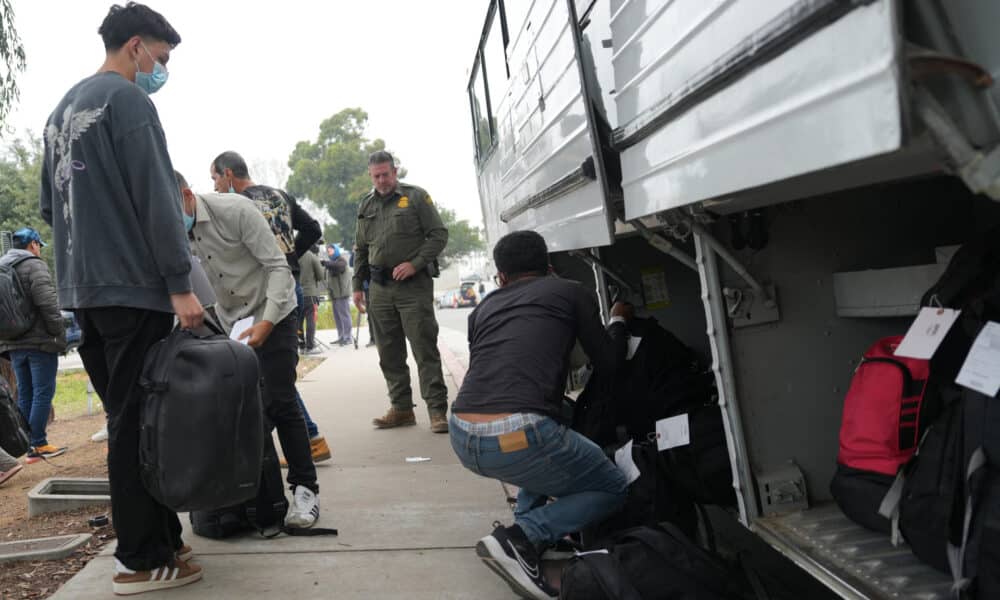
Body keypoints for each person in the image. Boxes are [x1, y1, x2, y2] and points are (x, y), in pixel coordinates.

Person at [38, 3, 203, 593]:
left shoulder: (61, 110)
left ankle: (166, 542)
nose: (161, 69)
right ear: (136, 46)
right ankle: (138, 559)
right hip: (135, 292)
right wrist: (180, 284)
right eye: (161, 58)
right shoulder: (130, 102)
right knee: (140, 426)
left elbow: (49, 210)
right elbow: (158, 200)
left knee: (131, 419)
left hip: (84, 291)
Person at [449, 230, 631, 599]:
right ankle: (521, 537)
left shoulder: (482, 308)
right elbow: (610, 363)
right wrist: (618, 322)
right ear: (548, 267)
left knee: (555, 428)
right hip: (518, 437)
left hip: (463, 434)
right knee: (611, 487)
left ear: (500, 277)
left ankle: (530, 533)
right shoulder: (569, 291)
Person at [176, 171, 323, 528]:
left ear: (186, 195)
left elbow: (278, 268)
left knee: (280, 400)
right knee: (243, 410)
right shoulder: (174, 231)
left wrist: (268, 322)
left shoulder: (236, 211)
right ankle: (256, 494)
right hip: (233, 323)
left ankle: (306, 490)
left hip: (275, 310)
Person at [209, 151, 331, 463]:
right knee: (278, 377)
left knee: (272, 379)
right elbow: (314, 230)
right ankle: (308, 438)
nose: (216, 189)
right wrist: (291, 258)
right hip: (292, 288)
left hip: (265, 294)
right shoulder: (281, 196)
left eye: (216, 180)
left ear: (228, 175)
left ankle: (303, 439)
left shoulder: (237, 206)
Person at [353, 151, 450, 433]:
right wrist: (357, 286)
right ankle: (402, 409)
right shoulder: (366, 204)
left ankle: (437, 411)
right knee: (389, 352)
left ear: (395, 172)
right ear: (370, 176)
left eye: (385, 174)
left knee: (424, 348)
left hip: (413, 287)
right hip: (379, 289)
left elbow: (439, 234)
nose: (381, 180)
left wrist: (416, 263)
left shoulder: (417, 197)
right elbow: (361, 248)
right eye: (376, 176)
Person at [0, 228, 68, 464]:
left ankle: (27, 443)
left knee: (25, 393)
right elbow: (48, 303)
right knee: (43, 392)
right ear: (33, 245)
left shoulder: (2, 265)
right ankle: (38, 443)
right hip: (40, 341)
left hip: (13, 342)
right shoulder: (34, 265)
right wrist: (59, 332)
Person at [324, 244, 353, 346]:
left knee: (345, 316)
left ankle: (348, 337)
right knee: (337, 317)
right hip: (335, 295)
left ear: (336, 250)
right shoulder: (331, 263)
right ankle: (341, 337)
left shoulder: (342, 260)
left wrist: (326, 263)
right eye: (328, 251)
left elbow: (339, 267)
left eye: (331, 250)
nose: (329, 252)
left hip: (342, 294)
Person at [298, 245, 325, 354]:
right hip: (310, 293)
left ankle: (301, 346)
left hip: (296, 293)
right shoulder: (312, 256)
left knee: (298, 322)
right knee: (311, 319)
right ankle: (310, 346)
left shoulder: (294, 255)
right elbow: (320, 276)